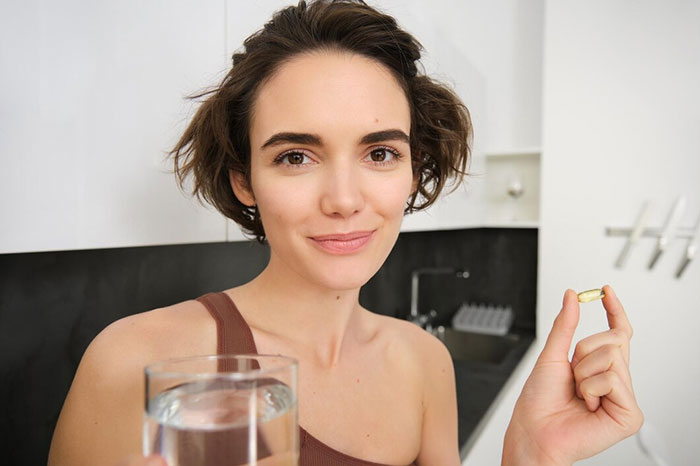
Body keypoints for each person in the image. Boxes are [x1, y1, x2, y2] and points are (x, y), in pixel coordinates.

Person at [48, 1, 643, 465]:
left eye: (380, 153)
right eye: (296, 158)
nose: (344, 200)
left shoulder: (425, 363)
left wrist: (532, 455)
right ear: (244, 181)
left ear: (414, 171)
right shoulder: (136, 363)